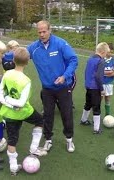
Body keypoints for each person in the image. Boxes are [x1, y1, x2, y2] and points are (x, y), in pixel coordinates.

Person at [27, 20, 78, 153]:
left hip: (63, 87)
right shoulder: (34, 48)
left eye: (44, 31)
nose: (42, 34)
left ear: (50, 30)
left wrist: (65, 76)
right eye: (39, 32)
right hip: (47, 89)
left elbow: (73, 60)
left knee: (66, 114)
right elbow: (20, 55)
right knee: (48, 116)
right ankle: (48, 140)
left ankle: (69, 139)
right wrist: (2, 54)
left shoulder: (60, 43)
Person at [0, 47, 47, 176]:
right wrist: (12, 103)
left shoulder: (7, 74)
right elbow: (21, 103)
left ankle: (13, 168)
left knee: (12, 140)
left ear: (13, 60)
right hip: (23, 111)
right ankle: (34, 148)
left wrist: (7, 101)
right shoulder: (26, 81)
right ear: (27, 62)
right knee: (40, 121)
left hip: (9, 113)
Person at [79, 42, 110, 134]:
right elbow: (98, 77)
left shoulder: (90, 59)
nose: (105, 56)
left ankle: (83, 120)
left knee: (88, 103)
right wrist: (102, 89)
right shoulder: (101, 61)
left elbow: (86, 72)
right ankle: (96, 129)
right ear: (103, 52)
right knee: (96, 107)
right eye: (106, 54)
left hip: (88, 86)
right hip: (95, 87)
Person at [102, 43, 114, 116]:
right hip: (101, 83)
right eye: (109, 52)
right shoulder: (101, 60)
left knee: (107, 99)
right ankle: (96, 115)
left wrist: (104, 73)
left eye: (112, 52)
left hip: (109, 83)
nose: (110, 53)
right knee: (99, 99)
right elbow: (98, 72)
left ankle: (107, 115)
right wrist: (109, 72)